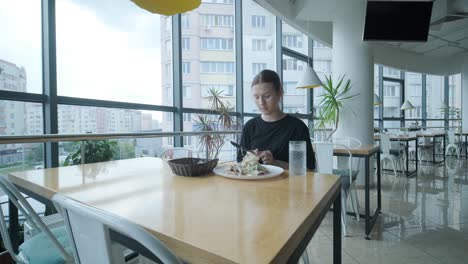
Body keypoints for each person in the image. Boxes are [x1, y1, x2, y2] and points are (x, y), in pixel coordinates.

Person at [237, 69, 315, 170]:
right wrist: (250, 158)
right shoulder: (250, 127)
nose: (261, 102)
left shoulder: (296, 127)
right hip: (255, 185)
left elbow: (308, 169)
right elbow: (240, 163)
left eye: (267, 96)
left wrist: (275, 162)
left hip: (289, 185)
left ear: (280, 93)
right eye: (256, 97)